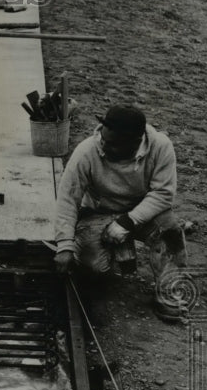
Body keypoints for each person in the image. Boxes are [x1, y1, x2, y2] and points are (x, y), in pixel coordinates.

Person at [54, 104, 188, 322]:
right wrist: (65, 245)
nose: (103, 146)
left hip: (143, 210)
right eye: (103, 139)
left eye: (112, 144)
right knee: (93, 267)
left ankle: (169, 294)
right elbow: (68, 199)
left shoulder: (160, 146)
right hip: (99, 211)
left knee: (170, 231)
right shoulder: (87, 151)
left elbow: (164, 193)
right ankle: (119, 253)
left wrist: (129, 221)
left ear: (135, 143)